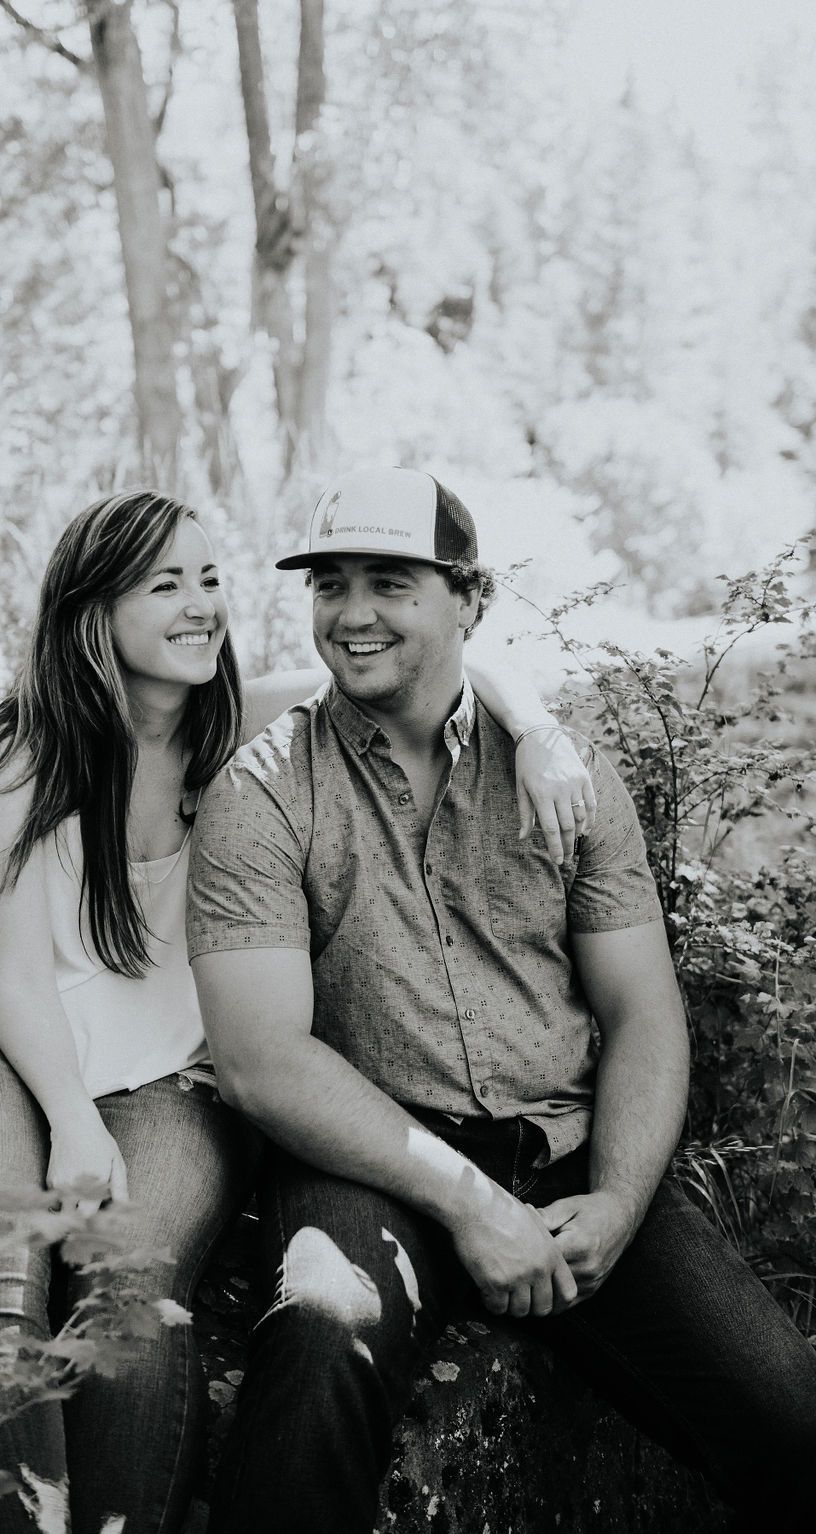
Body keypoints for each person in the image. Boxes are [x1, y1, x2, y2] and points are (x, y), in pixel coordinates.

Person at [0, 486, 593, 1534]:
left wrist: (536, 730)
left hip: (172, 1083)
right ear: (92, 609)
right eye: (165, 583)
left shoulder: (237, 730)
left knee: (132, 1283)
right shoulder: (18, 753)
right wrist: (71, 1122)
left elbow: (444, 668)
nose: (202, 605)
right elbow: (18, 977)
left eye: (210, 579)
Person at [187, 465, 816, 1534]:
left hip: (562, 1155)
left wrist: (617, 1205)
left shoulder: (568, 778)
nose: (351, 613)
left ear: (470, 599)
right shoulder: (262, 794)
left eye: (390, 582)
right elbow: (260, 1061)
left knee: (789, 1419)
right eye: (330, 585)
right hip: (368, 1163)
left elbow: (641, 1012)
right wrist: (476, 1208)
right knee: (319, 1344)